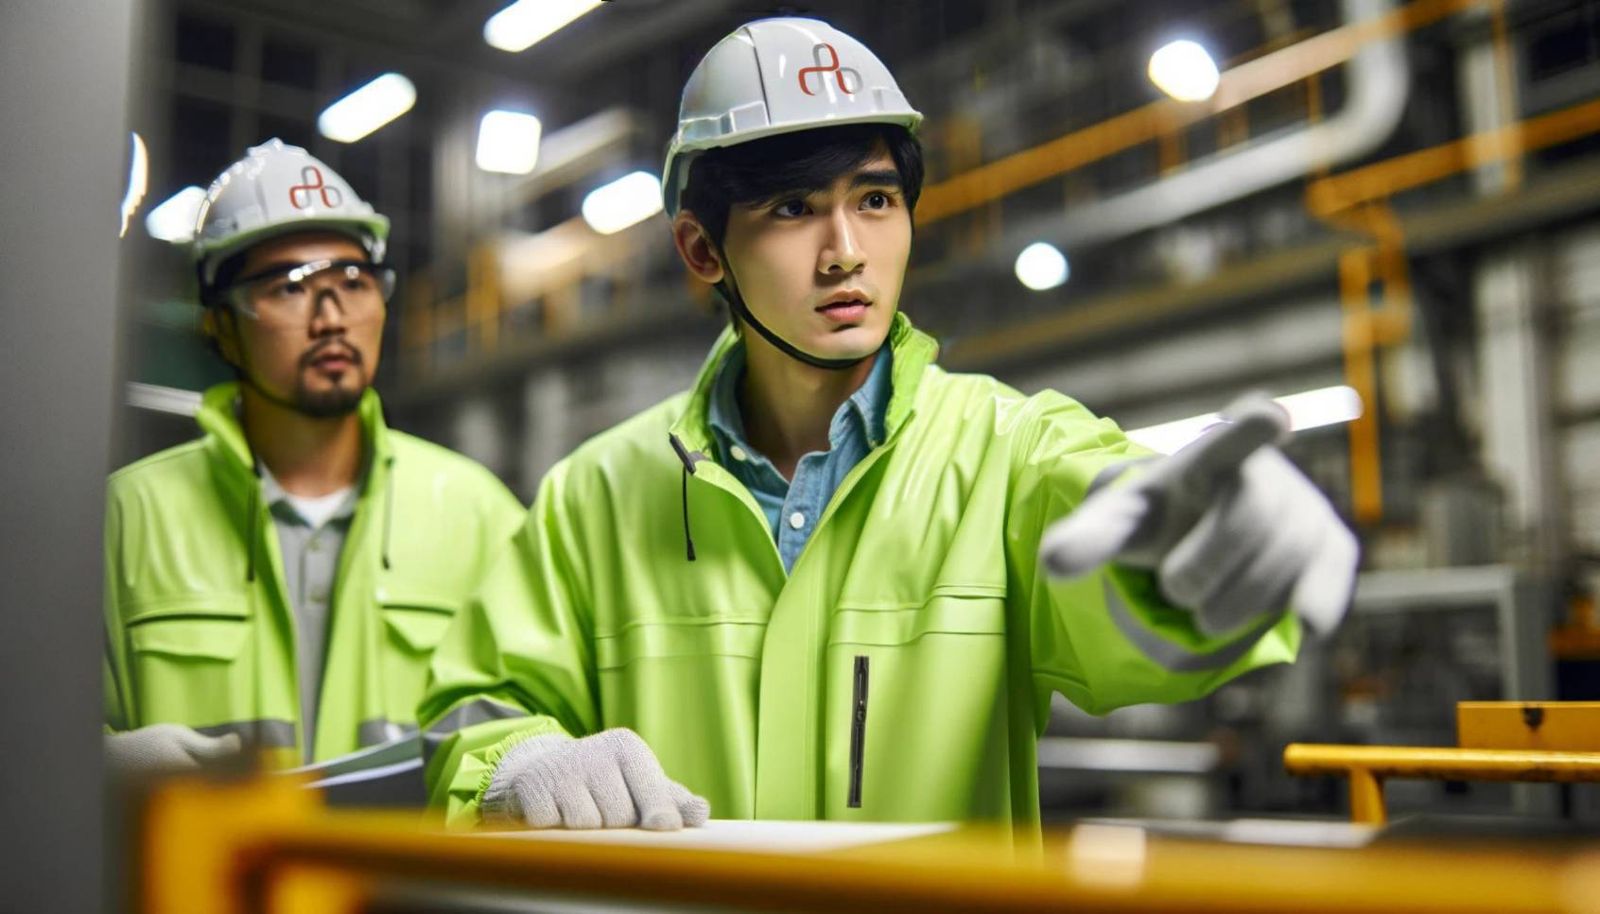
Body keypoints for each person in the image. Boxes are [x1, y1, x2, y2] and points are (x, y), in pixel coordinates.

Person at [418, 18, 1358, 836]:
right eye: (793, 209)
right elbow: (477, 711)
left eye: (874, 200)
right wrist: (517, 762)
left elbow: (1111, 551)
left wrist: (1188, 548)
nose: (845, 253)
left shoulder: (1009, 453)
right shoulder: (597, 496)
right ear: (702, 249)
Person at [104, 140, 524, 773]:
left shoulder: (479, 516)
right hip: (192, 845)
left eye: (353, 282)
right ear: (219, 326)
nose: (332, 318)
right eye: (289, 287)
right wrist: (100, 768)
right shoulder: (125, 519)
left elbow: (534, 715)